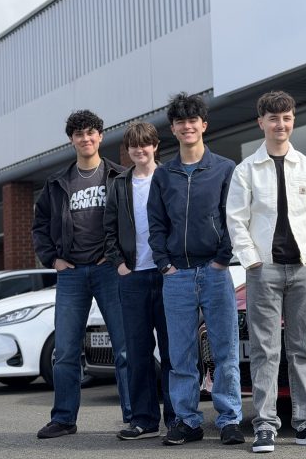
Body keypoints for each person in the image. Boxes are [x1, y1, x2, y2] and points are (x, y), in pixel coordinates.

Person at [226, 90, 306, 452]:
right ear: (261, 122)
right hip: (264, 271)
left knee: (302, 349)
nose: (281, 125)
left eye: (287, 118)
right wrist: (252, 260)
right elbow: (236, 220)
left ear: (293, 120)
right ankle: (265, 425)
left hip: (303, 270)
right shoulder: (246, 170)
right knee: (265, 350)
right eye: (274, 118)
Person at [147, 92, 244, 446]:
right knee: (181, 355)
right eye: (180, 122)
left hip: (215, 272)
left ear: (203, 125)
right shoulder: (164, 175)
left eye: (192, 121)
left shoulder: (225, 168)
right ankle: (187, 421)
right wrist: (164, 265)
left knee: (224, 350)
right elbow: (156, 224)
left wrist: (222, 258)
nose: (187, 127)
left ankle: (230, 419)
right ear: (173, 129)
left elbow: (234, 218)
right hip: (177, 276)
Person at [32, 109, 131, 439]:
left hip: (108, 272)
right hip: (71, 274)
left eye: (91, 133)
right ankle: (63, 419)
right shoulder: (57, 183)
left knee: (125, 348)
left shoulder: (119, 176)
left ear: (100, 136)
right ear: (71, 140)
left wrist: (116, 256)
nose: (85, 139)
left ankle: (134, 416)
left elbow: (131, 221)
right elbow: (39, 226)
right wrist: (53, 259)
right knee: (65, 351)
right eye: (79, 134)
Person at [104, 121, 175, 440]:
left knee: (173, 351)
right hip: (132, 278)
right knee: (137, 352)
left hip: (166, 275)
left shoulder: (169, 177)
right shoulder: (119, 183)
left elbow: (180, 222)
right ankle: (144, 420)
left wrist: (173, 264)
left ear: (155, 146)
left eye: (144, 144)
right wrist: (119, 264)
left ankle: (177, 418)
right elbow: (108, 229)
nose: (139, 150)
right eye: (133, 145)